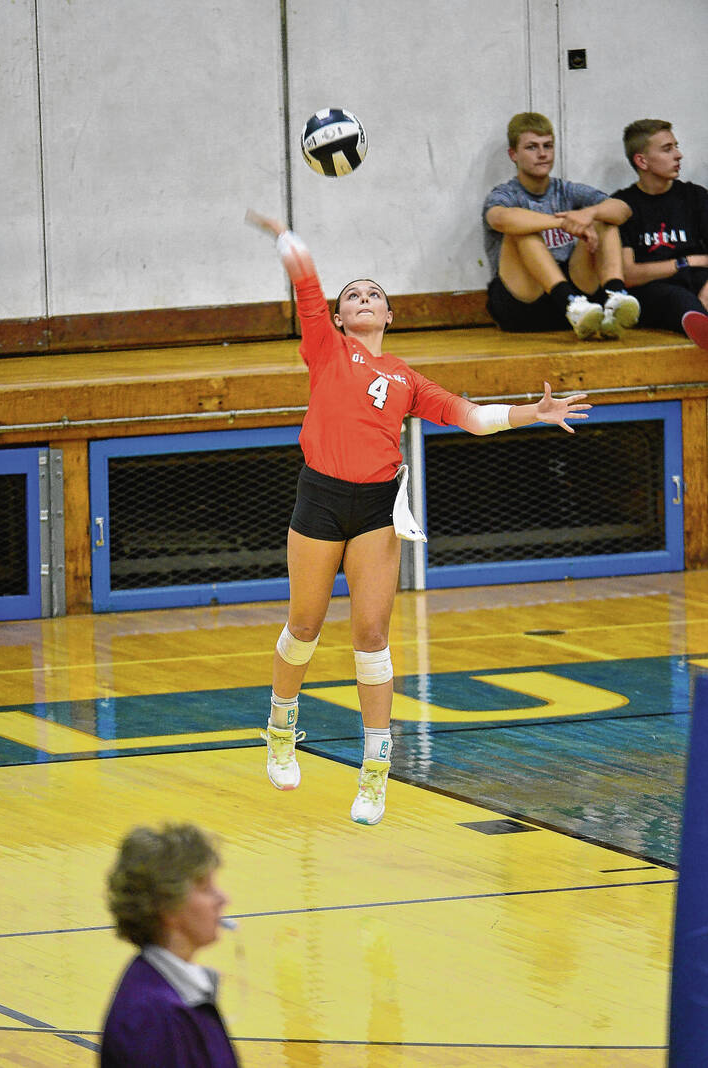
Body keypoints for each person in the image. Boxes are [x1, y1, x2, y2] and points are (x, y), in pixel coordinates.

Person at [246, 208, 591, 827]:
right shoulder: (326, 348)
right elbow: (306, 287)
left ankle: (375, 770)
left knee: (372, 636)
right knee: (304, 625)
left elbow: (473, 417)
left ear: (389, 315)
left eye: (374, 294)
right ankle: (279, 728)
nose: (364, 298)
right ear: (340, 317)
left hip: (377, 508)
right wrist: (287, 239)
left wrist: (532, 414)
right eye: (353, 295)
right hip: (320, 497)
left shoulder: (405, 378)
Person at [482, 111, 640, 340]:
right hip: (524, 303)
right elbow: (499, 219)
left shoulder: (567, 190)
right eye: (532, 147)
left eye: (548, 146)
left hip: (583, 304)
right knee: (520, 231)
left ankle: (615, 297)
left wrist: (589, 214)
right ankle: (569, 302)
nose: (542, 154)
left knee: (604, 218)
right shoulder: (505, 194)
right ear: (513, 154)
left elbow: (623, 210)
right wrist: (564, 222)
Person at [100, 823, 240, 1067]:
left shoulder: (168, 991)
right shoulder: (154, 1018)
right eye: (206, 889)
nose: (222, 899)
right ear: (169, 907)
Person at [610, 119, 708, 333]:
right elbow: (628, 275)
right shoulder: (622, 205)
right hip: (656, 291)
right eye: (667, 149)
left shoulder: (695, 196)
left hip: (700, 281)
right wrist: (685, 262)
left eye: (676, 146)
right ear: (642, 161)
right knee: (680, 301)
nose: (678, 155)